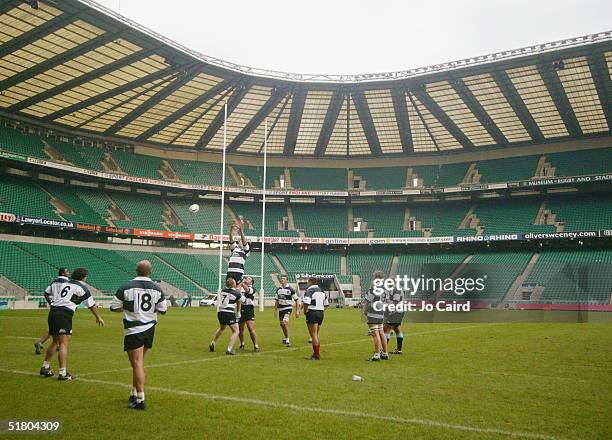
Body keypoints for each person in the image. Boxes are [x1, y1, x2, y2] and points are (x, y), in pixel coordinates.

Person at [110, 260, 167, 410]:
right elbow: (163, 310)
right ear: (150, 272)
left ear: (136, 270)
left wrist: (128, 309)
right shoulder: (157, 289)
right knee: (139, 363)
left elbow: (114, 307)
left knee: (136, 364)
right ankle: (134, 392)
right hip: (149, 329)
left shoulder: (126, 287)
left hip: (134, 329)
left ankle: (140, 399)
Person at [39, 268, 104, 380]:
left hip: (53, 311)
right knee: (64, 343)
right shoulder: (82, 288)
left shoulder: (65, 283)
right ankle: (62, 373)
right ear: (84, 277)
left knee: (55, 341)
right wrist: (98, 317)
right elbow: (91, 305)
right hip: (64, 314)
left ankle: (45, 367)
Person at [35, 268, 70, 354]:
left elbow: (46, 293)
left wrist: (50, 303)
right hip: (63, 307)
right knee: (60, 328)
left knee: (55, 327)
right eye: (67, 271)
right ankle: (42, 342)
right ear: (63, 273)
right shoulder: (67, 282)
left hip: (54, 307)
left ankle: (54, 344)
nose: (69, 273)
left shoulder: (54, 282)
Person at [209, 277, 244, 355]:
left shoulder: (222, 291)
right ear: (233, 284)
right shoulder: (236, 293)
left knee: (222, 328)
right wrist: (238, 312)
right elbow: (242, 300)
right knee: (236, 331)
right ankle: (229, 349)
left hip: (220, 312)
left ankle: (213, 343)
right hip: (229, 313)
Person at [363, 271, 389, 361]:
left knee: (375, 334)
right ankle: (385, 353)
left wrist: (365, 311)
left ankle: (377, 355)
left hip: (372, 313)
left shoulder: (373, 289)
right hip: (380, 313)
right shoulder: (385, 289)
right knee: (381, 333)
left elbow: (367, 301)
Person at [302, 277, 327, 360]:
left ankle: (316, 355)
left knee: (313, 335)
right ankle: (316, 353)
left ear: (310, 282)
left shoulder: (309, 291)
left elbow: (306, 302)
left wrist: (305, 311)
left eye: (308, 282)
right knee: (316, 334)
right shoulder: (322, 291)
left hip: (312, 312)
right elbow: (326, 304)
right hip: (321, 313)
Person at [274, 275, 300, 346]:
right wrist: (275, 311)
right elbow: (276, 301)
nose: (282, 280)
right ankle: (286, 338)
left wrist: (297, 310)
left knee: (284, 322)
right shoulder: (278, 289)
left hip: (288, 308)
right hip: (281, 309)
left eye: (284, 279)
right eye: (281, 278)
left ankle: (288, 339)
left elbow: (297, 300)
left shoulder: (291, 289)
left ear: (286, 280)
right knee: (282, 324)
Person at [238, 276, 260, 352]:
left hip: (249, 309)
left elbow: (247, 290)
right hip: (241, 309)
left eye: (249, 278)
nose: (247, 279)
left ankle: (256, 345)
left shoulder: (252, 288)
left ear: (251, 282)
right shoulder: (241, 287)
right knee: (240, 329)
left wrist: (241, 282)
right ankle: (242, 344)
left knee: (250, 328)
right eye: (246, 278)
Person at [226, 219, 249, 285]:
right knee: (229, 286)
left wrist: (241, 230)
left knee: (237, 287)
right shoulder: (234, 248)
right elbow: (231, 239)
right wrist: (231, 230)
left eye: (242, 240)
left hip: (238, 272)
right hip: (230, 270)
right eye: (240, 241)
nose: (241, 241)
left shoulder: (245, 250)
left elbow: (244, 242)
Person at [384, 285, 405, 355]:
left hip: (395, 312)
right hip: (399, 311)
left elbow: (395, 302)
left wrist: (390, 312)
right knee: (397, 329)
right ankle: (399, 350)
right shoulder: (394, 289)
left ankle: (383, 350)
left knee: (386, 329)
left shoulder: (397, 289)